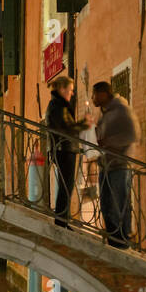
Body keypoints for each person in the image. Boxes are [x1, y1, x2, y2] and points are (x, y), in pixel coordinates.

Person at [91, 81, 138, 248]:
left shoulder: (121, 110)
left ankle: (122, 240)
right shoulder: (105, 114)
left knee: (119, 202)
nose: (93, 98)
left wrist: (107, 142)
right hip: (106, 165)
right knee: (106, 203)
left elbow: (131, 135)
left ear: (104, 94)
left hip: (119, 164)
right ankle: (113, 238)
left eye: (95, 94)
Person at [44, 76, 88, 226]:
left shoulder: (57, 105)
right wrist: (84, 124)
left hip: (63, 149)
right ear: (62, 90)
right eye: (70, 90)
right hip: (64, 149)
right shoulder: (58, 106)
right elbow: (68, 129)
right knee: (66, 185)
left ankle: (63, 219)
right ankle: (62, 221)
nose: (72, 93)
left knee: (66, 185)